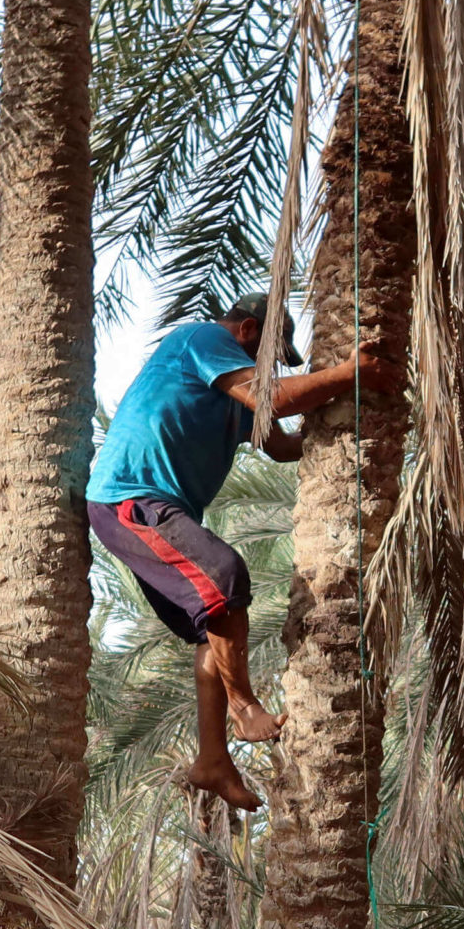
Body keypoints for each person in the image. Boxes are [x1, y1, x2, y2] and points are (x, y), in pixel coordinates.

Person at [88, 292, 402, 810]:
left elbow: (278, 443)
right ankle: (244, 705)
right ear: (249, 332)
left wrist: (341, 432)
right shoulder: (203, 338)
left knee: (214, 629)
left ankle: (211, 759)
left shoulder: (235, 397)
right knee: (225, 575)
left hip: (162, 508)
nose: (270, 369)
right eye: (271, 357)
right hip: (131, 497)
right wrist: (351, 374)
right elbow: (274, 398)